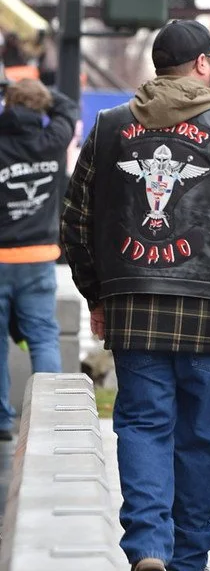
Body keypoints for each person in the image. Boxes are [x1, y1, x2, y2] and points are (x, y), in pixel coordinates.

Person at [61, 19, 210, 571]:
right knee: (201, 436)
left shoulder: (108, 127)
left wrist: (97, 293)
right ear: (200, 66)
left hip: (135, 305)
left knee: (142, 424)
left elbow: (75, 221)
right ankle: (189, 558)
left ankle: (148, 546)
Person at [0, 78, 78, 440]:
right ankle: (50, 416)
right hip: (39, 258)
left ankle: (2, 420)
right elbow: (67, 109)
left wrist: (7, 89)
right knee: (44, 336)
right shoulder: (53, 141)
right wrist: (41, 93)